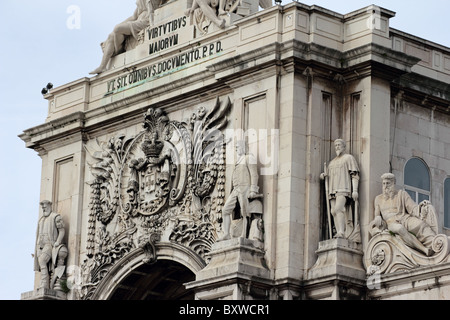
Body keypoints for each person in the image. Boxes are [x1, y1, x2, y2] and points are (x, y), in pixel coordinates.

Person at [372, 173, 436, 256]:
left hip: (405, 218)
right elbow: (377, 214)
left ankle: (435, 243)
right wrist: (377, 217)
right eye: (383, 184)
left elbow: (413, 208)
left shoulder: (401, 194)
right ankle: (424, 249)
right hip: (390, 223)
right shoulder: (378, 199)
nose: (385, 186)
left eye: (388, 183)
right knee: (400, 229)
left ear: (393, 184)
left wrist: (421, 206)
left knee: (421, 225)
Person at [90, 0, 153, 75]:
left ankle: (119, 50)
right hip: (138, 20)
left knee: (117, 29)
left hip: (146, 21)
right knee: (111, 35)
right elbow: (134, 17)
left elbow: (153, 11)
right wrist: (118, 26)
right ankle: (102, 66)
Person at [321, 139, 360, 239]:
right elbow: (327, 176)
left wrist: (355, 190)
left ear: (344, 146)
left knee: (339, 208)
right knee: (333, 211)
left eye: (339, 145)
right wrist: (323, 176)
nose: (337, 147)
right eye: (336, 145)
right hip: (332, 189)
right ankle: (338, 232)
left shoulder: (348, 158)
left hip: (344, 187)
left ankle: (342, 232)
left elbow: (354, 174)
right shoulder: (331, 163)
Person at [220, 140, 259, 240]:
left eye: (237, 146)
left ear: (243, 147)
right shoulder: (237, 161)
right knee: (225, 210)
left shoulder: (248, 158)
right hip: (236, 190)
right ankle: (226, 233)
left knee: (245, 212)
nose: (236, 148)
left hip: (245, 188)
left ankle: (244, 234)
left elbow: (254, 174)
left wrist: (253, 190)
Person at [34, 200, 68, 289]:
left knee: (42, 261)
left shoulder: (55, 217)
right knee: (41, 263)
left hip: (50, 244)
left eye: (45, 207)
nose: (44, 209)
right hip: (41, 246)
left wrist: (58, 241)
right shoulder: (41, 220)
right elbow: (38, 234)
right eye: (42, 208)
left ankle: (45, 284)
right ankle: (43, 283)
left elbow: (62, 230)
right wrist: (37, 247)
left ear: (49, 206)